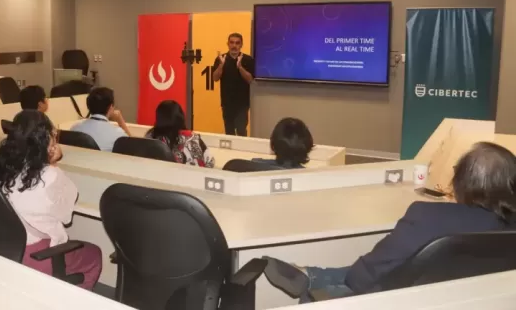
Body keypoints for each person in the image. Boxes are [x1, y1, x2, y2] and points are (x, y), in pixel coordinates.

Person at [262, 142, 516, 302]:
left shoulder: (427, 217)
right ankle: (313, 273)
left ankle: (313, 278)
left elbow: (364, 276)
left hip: (395, 299)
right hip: (470, 299)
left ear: (462, 183)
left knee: (322, 294)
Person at [0, 110, 102, 290]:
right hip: (37, 255)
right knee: (94, 254)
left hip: (5, 248)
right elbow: (66, 217)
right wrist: (52, 163)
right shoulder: (50, 175)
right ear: (46, 140)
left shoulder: (3, 169)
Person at [146, 100, 215, 168]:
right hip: (194, 175)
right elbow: (210, 162)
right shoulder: (193, 137)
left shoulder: (151, 137)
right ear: (181, 117)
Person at [212, 33, 254, 136]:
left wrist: (240, 67)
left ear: (241, 45)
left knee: (241, 131)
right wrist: (221, 65)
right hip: (227, 104)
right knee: (229, 133)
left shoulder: (248, 60)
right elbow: (215, 78)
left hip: (242, 104)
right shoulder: (221, 59)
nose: (234, 46)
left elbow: (250, 80)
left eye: (237, 43)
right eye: (232, 42)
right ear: (228, 44)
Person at [72, 87, 131, 151]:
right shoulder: (118, 134)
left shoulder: (75, 129)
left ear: (88, 106)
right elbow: (132, 147)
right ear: (111, 107)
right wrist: (120, 120)